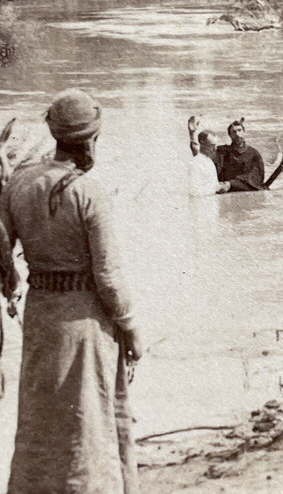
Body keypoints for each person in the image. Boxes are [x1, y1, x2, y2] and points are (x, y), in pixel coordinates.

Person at [0, 88, 142, 493]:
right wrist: (131, 328)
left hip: (41, 317)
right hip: (86, 323)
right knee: (88, 421)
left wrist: (12, 288)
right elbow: (109, 278)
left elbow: (2, 255)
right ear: (91, 141)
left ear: (56, 135)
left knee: (41, 419)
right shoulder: (89, 193)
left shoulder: (19, 185)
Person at [216, 118, 265, 191]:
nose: (237, 134)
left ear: (244, 132)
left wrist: (231, 184)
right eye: (233, 132)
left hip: (242, 190)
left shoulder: (253, 154)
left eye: (239, 130)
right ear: (230, 135)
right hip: (223, 189)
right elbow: (203, 151)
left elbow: (255, 178)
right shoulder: (222, 152)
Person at [188, 130, 230, 196]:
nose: (215, 149)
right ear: (202, 144)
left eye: (215, 145)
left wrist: (220, 186)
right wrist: (216, 188)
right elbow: (194, 191)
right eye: (211, 145)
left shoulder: (209, 161)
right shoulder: (195, 163)